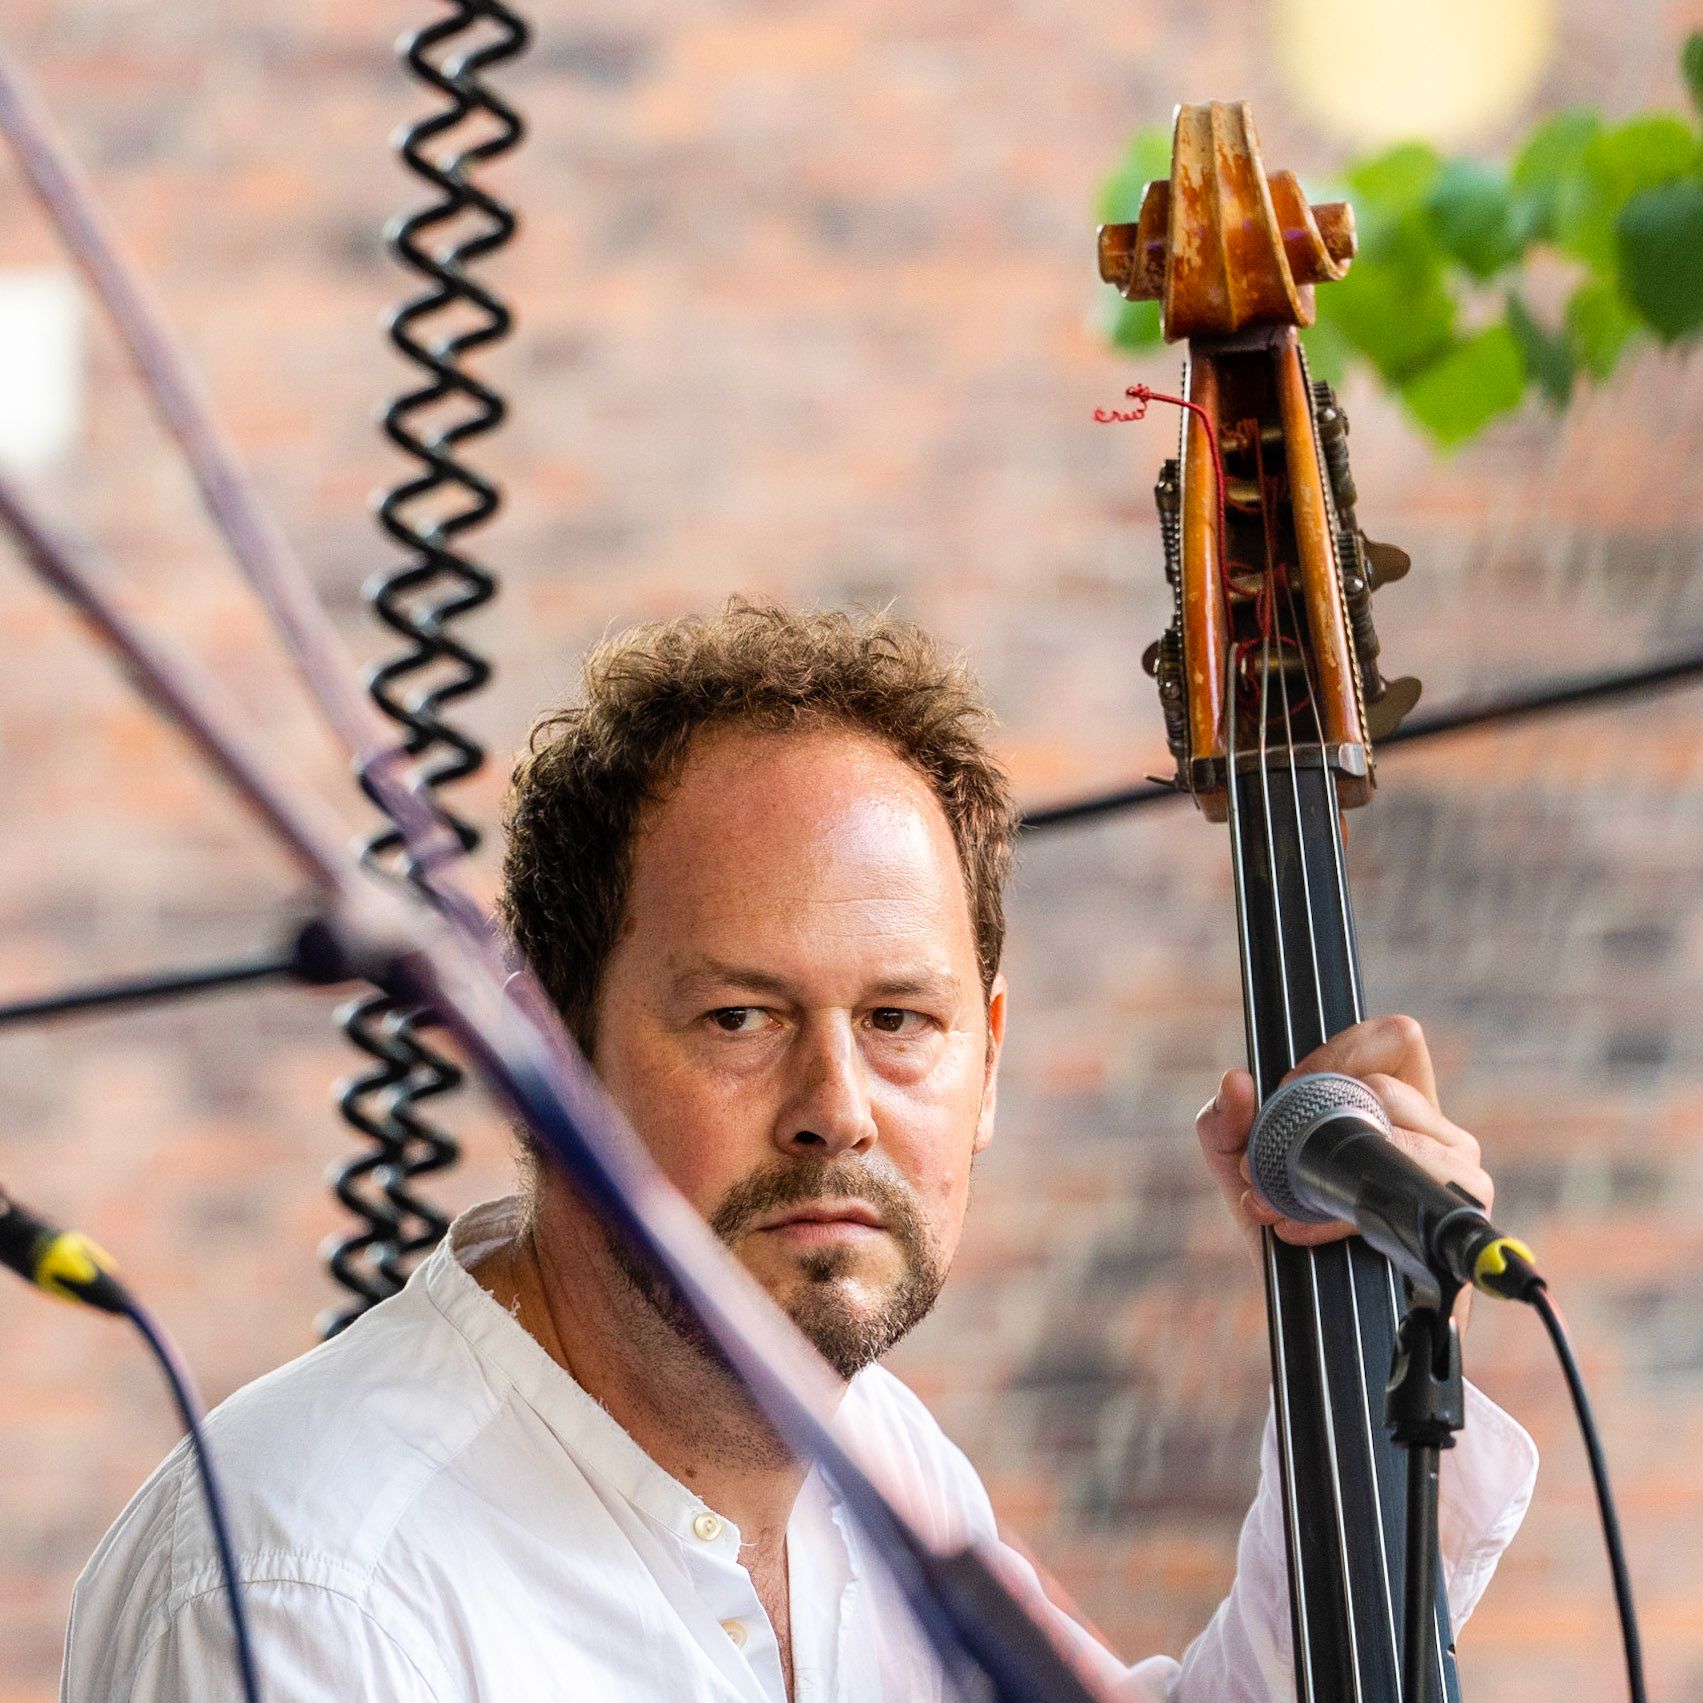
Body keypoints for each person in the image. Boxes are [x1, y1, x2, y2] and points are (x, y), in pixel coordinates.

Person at [62, 601, 1536, 1702]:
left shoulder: (872, 1457)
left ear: (991, 1059)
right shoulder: (303, 1589)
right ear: (545, 1049)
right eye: (740, 1017)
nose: (837, 1105)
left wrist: (1370, 1353)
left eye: (901, 1019)